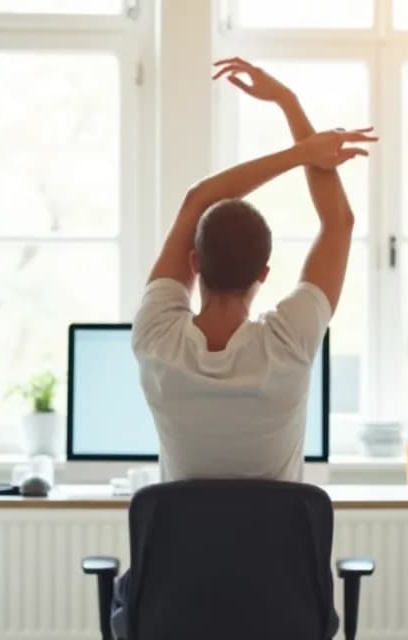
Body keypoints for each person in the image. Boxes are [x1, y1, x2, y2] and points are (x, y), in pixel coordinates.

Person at [131, 57, 376, 483]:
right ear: (263, 274)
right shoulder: (289, 341)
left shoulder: (156, 339)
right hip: (278, 552)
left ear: (194, 264)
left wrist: (299, 151)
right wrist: (290, 106)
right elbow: (339, 223)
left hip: (187, 552)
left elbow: (197, 201)